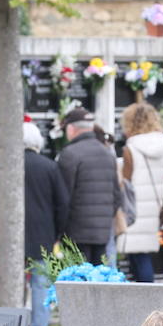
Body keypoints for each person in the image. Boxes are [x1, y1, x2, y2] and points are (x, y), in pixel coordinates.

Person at [0, 121, 70, 326]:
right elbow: (62, 204)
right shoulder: (49, 167)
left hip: (9, 238)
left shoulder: (4, 167)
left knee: (13, 286)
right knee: (41, 286)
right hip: (42, 237)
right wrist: (58, 233)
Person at [57, 106, 121, 265]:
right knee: (97, 281)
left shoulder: (70, 153)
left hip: (76, 234)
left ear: (71, 129)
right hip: (102, 233)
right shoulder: (107, 153)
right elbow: (116, 196)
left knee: (77, 281)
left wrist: (59, 232)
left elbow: (63, 197)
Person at [115, 103, 163, 283]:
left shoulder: (131, 148)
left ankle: (146, 304)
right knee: (142, 257)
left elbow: (126, 179)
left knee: (137, 260)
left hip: (133, 209)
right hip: (152, 208)